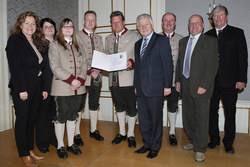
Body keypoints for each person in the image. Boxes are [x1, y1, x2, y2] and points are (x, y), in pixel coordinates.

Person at [6, 11, 48, 167]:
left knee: (31, 120)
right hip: (23, 86)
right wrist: (21, 89)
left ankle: (29, 149)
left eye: (33, 23)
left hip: (37, 86)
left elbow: (41, 68)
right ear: (20, 24)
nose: (30, 26)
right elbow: (15, 67)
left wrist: (43, 87)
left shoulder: (35, 41)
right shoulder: (15, 40)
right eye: (27, 23)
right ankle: (23, 154)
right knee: (23, 121)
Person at [175, 14, 218, 162]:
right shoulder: (183, 41)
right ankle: (193, 141)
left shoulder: (211, 41)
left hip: (201, 87)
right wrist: (178, 81)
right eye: (191, 23)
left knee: (201, 118)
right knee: (188, 117)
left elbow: (212, 66)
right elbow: (179, 64)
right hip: (185, 85)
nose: (194, 25)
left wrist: (204, 85)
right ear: (188, 26)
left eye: (197, 23)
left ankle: (200, 149)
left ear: (203, 25)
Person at [205, 5, 248, 154]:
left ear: (227, 16)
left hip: (231, 82)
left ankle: (228, 142)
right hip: (211, 82)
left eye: (220, 15)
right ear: (211, 18)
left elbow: (243, 58)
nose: (217, 18)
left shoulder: (237, 33)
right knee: (211, 112)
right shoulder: (207, 35)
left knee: (230, 113)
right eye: (215, 16)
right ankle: (214, 140)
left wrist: (242, 79)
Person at [134, 14, 173, 159]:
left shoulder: (161, 40)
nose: (143, 27)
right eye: (140, 25)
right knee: (143, 119)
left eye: (146, 24)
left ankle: (155, 146)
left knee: (156, 119)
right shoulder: (137, 44)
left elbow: (168, 65)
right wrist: (135, 85)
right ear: (137, 28)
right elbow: (137, 68)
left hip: (157, 88)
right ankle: (146, 144)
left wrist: (168, 85)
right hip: (141, 89)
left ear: (152, 25)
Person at [48, 18, 87, 159]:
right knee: (61, 117)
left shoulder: (79, 45)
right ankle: (60, 146)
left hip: (79, 88)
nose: (68, 29)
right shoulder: (54, 45)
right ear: (60, 29)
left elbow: (85, 64)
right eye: (65, 26)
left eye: (70, 26)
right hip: (62, 87)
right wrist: (72, 80)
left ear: (73, 28)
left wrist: (80, 80)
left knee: (73, 116)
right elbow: (55, 66)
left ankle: (71, 144)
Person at [105, 11, 140, 148]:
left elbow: (139, 55)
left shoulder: (135, 35)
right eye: (113, 22)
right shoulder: (107, 38)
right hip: (113, 79)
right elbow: (106, 59)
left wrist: (132, 62)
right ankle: (122, 132)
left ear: (124, 22)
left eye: (118, 21)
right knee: (118, 106)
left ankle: (131, 134)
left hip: (129, 78)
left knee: (131, 107)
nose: (116, 24)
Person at [75, 10, 105, 145]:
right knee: (78, 106)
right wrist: (89, 70)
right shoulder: (76, 36)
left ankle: (93, 130)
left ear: (96, 22)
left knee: (94, 103)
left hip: (97, 76)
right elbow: (77, 56)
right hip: (82, 76)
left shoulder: (99, 38)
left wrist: (98, 69)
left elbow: (102, 55)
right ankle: (76, 133)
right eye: (88, 20)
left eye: (93, 20)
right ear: (84, 21)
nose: (90, 22)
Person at [160, 12, 183, 146]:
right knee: (156, 107)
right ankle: (156, 132)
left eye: (171, 20)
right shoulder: (155, 38)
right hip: (158, 82)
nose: (168, 23)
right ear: (162, 23)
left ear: (175, 23)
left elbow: (183, 63)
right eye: (165, 20)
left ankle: (172, 132)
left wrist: (180, 81)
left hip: (175, 81)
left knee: (172, 106)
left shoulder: (182, 40)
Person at [35, 18, 58, 154]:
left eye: (52, 26)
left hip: (58, 85)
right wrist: (43, 87)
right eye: (46, 27)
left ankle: (53, 139)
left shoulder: (59, 44)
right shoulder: (38, 46)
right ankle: (42, 143)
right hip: (44, 85)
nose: (49, 29)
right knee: (43, 115)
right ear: (41, 29)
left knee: (54, 114)